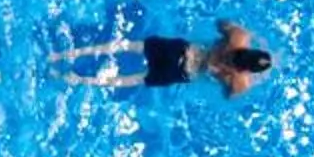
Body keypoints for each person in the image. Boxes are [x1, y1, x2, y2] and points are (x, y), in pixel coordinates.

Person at [52, 18, 273, 98]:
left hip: (182, 51)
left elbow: (221, 23)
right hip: (182, 72)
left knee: (127, 46)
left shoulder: (238, 36)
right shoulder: (240, 82)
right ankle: (75, 79)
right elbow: (226, 93)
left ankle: (64, 54)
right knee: (133, 79)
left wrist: (234, 33)